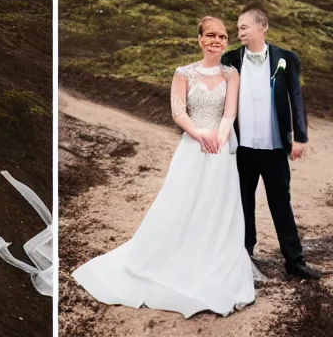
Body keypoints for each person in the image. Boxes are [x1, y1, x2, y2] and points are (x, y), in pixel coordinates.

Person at [72, 16, 255, 318]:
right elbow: (178, 112)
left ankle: (213, 257)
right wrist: (200, 135)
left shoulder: (231, 74)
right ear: (199, 39)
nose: (216, 41)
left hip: (222, 147)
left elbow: (230, 112)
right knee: (181, 201)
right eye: (210, 35)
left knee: (218, 204)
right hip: (193, 146)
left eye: (222, 37)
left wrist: (218, 138)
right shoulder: (183, 73)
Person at [221, 6, 321, 280]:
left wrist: (299, 137)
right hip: (241, 149)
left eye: (244, 27)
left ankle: (295, 262)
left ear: (262, 26)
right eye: (238, 27)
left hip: (275, 147)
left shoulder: (285, 59)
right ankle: (245, 256)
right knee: (242, 203)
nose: (239, 31)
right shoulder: (230, 59)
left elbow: (296, 100)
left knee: (281, 203)